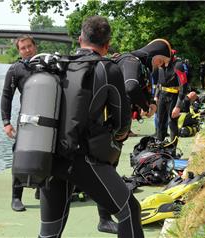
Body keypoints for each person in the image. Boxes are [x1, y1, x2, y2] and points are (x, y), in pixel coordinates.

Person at [38, 16, 144, 238]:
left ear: (79, 39)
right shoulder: (108, 69)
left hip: (48, 156)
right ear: (107, 45)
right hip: (82, 158)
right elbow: (123, 123)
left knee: (50, 231)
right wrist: (113, 139)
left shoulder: (57, 65)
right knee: (129, 211)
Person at [95, 38, 173, 234]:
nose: (160, 67)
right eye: (161, 62)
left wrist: (147, 103)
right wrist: (146, 106)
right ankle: (104, 219)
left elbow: (136, 88)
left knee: (106, 169)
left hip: (109, 124)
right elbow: (130, 87)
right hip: (107, 126)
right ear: (155, 55)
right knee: (105, 169)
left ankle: (105, 217)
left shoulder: (131, 62)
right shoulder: (132, 62)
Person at [0, 35, 40, 212]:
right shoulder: (15, 70)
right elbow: (6, 97)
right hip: (25, 119)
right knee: (20, 156)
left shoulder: (47, 66)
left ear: (35, 46)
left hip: (49, 118)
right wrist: (6, 122)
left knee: (49, 154)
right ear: (19, 51)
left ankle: (43, 189)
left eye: (29, 46)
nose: (27, 50)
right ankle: (16, 197)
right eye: (23, 48)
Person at [155, 54, 189, 151]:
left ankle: (173, 149)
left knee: (172, 122)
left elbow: (184, 86)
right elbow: (158, 82)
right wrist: (156, 95)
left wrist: (178, 106)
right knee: (160, 122)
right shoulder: (160, 65)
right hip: (162, 96)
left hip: (173, 97)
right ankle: (159, 149)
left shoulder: (178, 65)